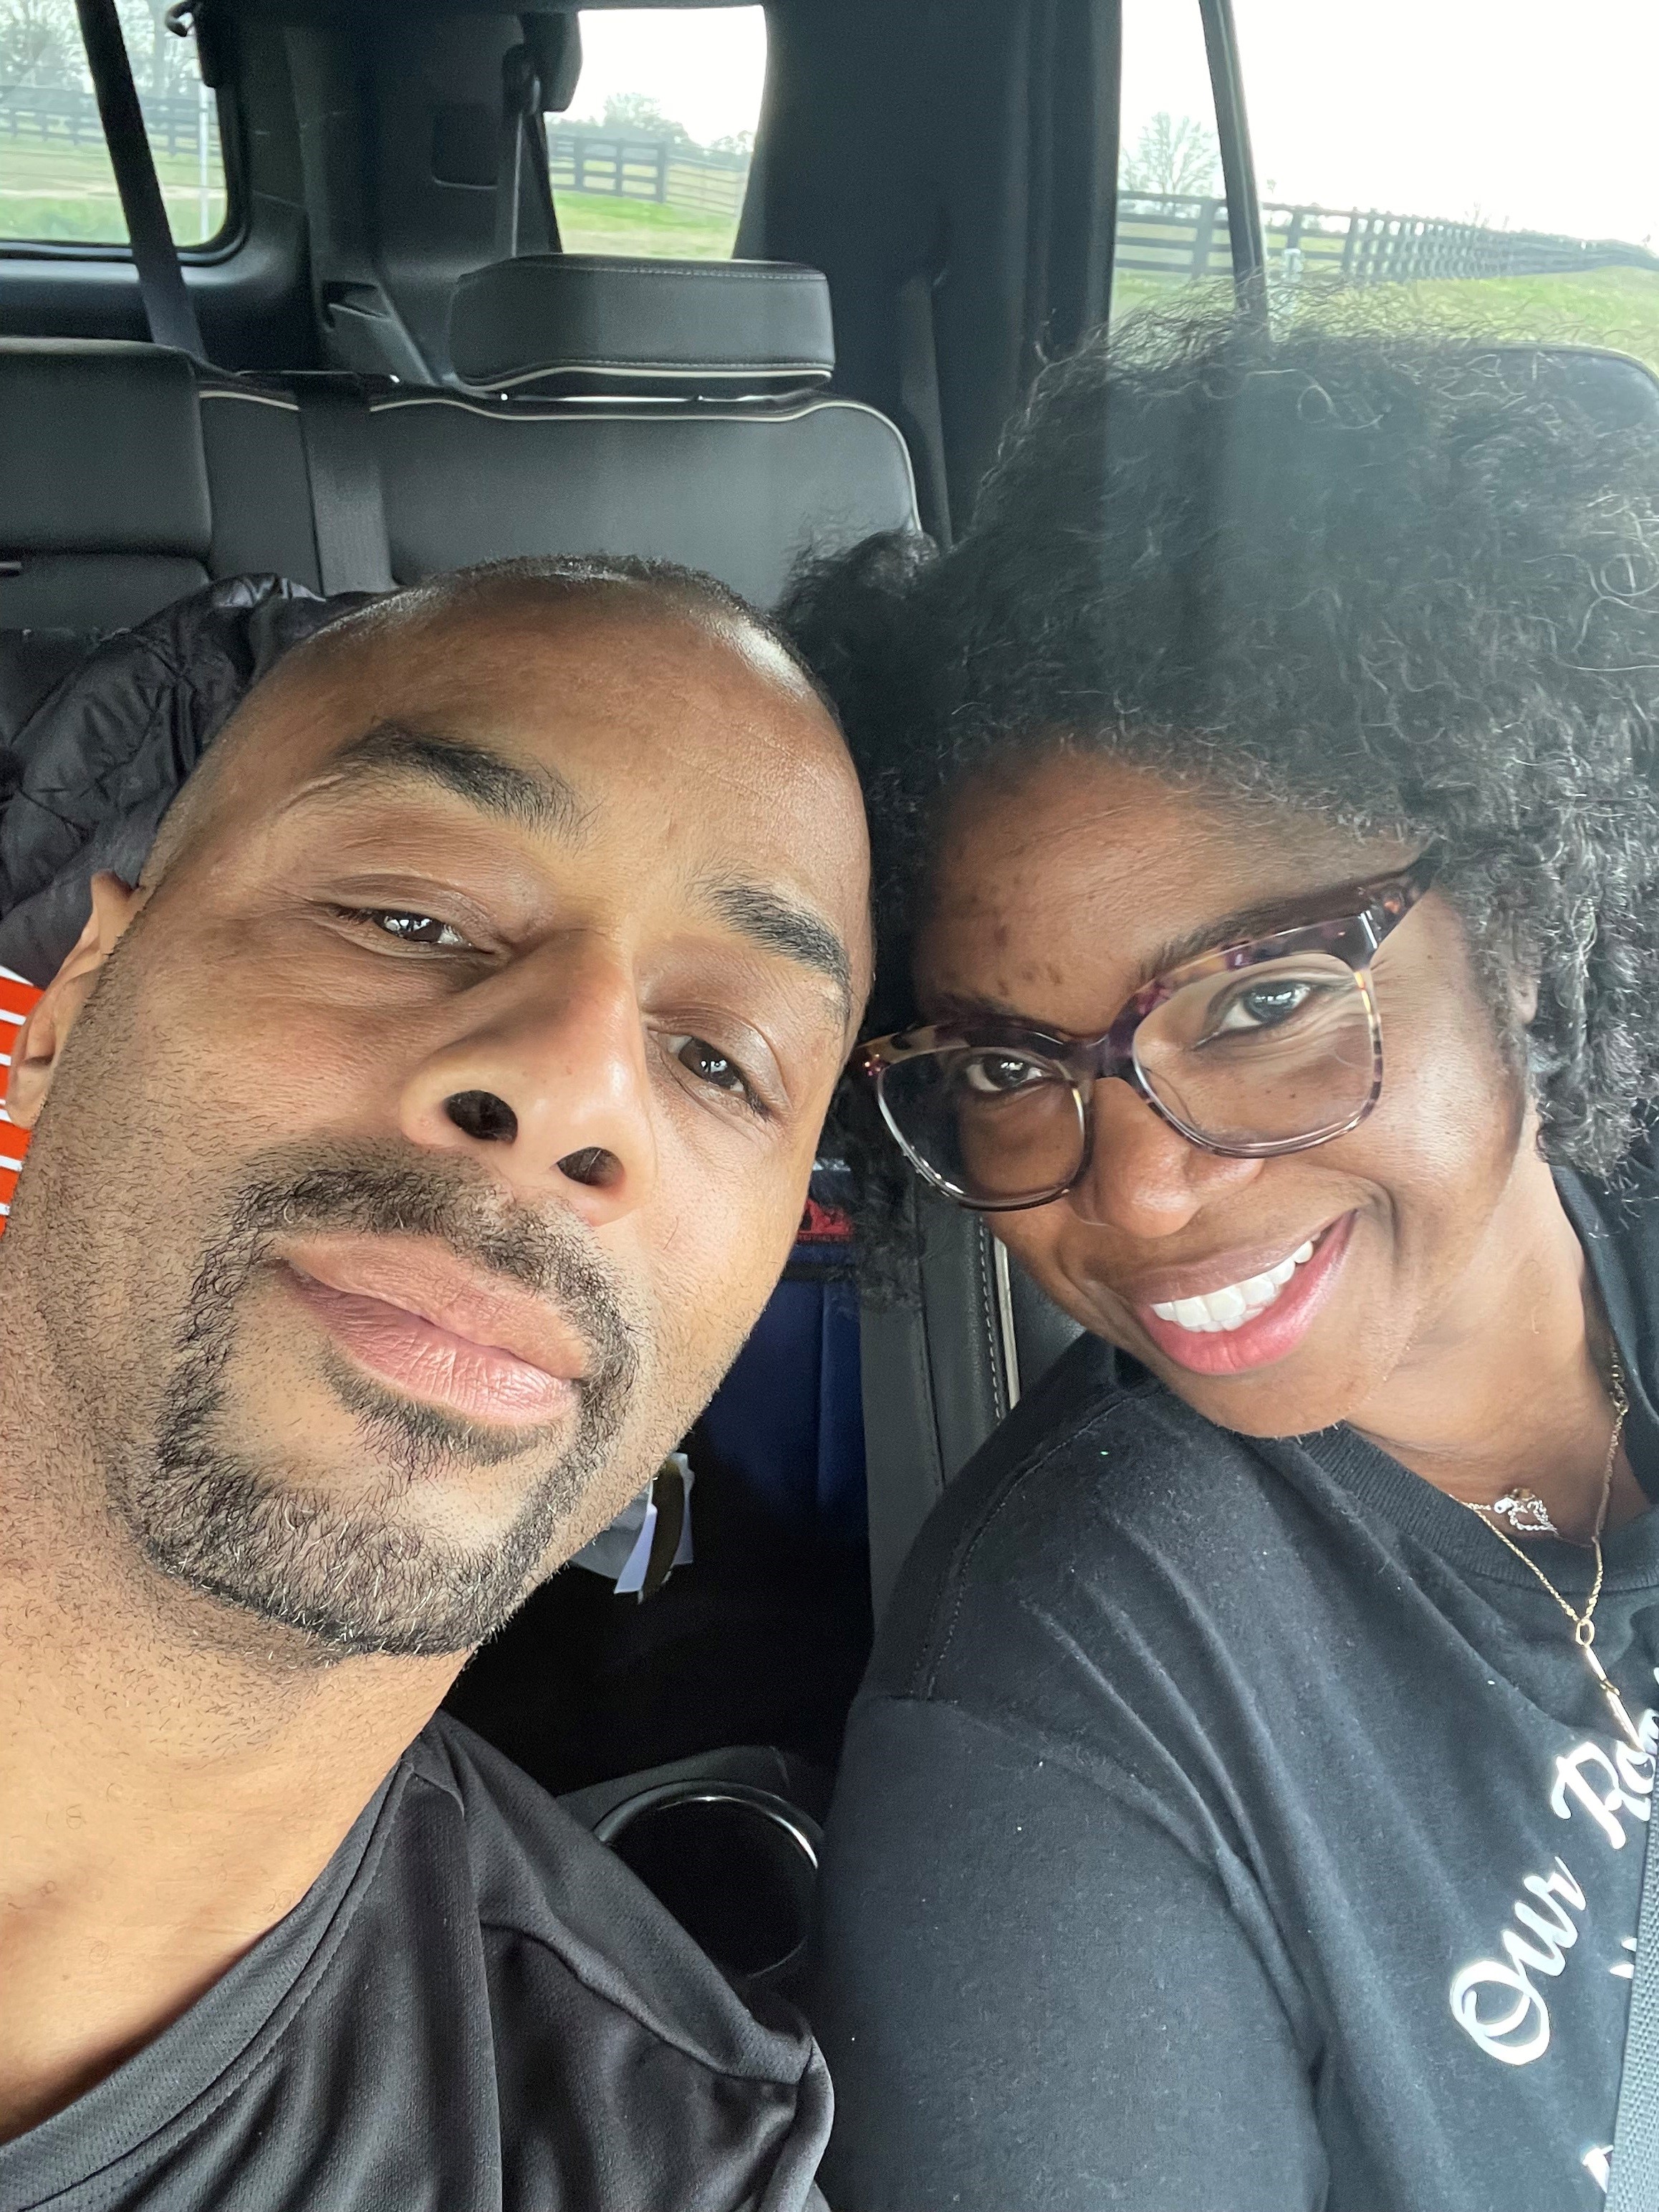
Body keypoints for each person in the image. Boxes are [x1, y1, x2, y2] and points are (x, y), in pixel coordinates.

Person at [790, 317, 1659, 2211]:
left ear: (1520, 922)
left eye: (1265, 996)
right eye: (1012, 1069)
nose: (1149, 1195)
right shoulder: (1056, 1712)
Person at [0, 554, 870, 2210]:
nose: (568, 1090)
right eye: (411, 915)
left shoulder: (657, 2163)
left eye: (717, 1056)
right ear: (70, 1008)